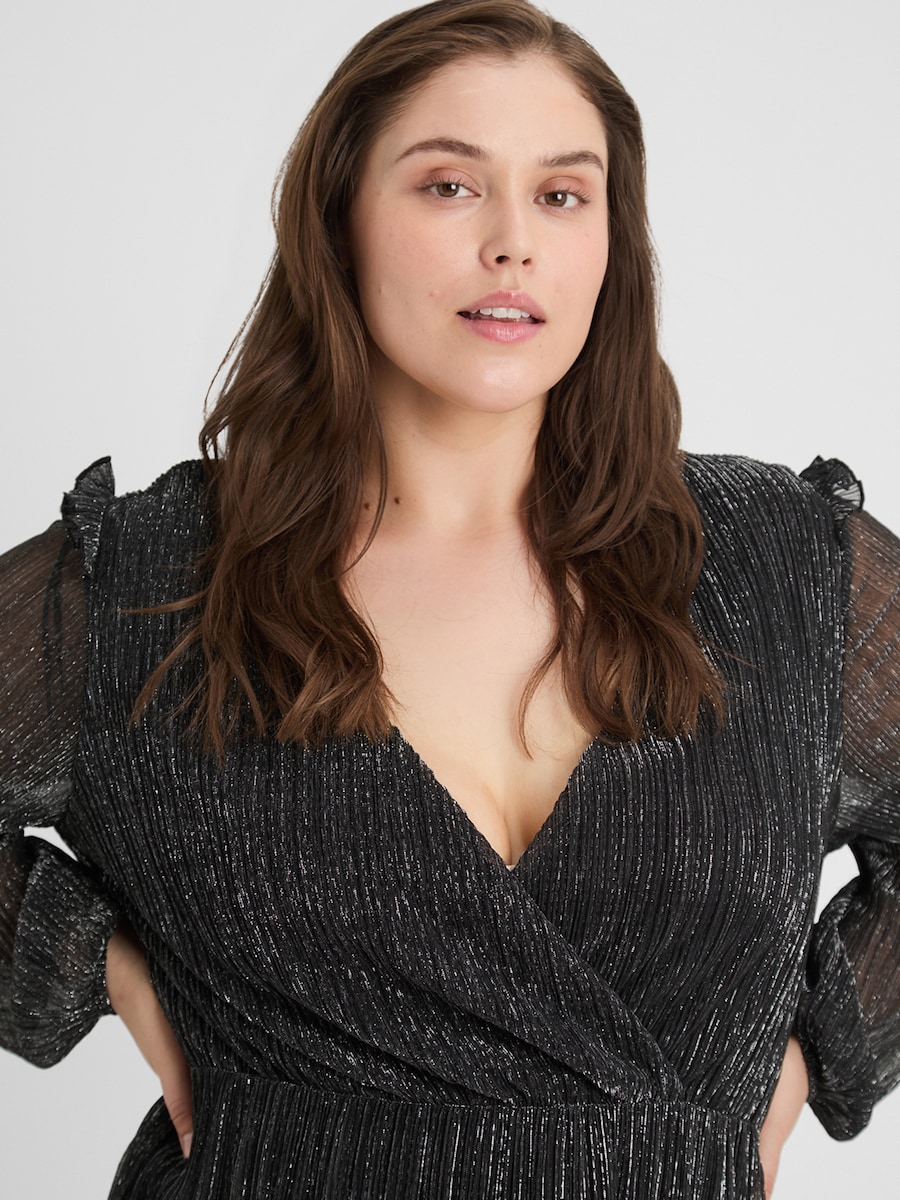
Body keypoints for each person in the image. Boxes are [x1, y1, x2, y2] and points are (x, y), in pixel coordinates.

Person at [1, 0, 897, 1196]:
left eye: (563, 195)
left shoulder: (785, 569)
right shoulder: (157, 580)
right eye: (450, 187)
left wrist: (814, 1060)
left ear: (612, 243)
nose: (513, 242)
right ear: (338, 220)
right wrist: (100, 969)